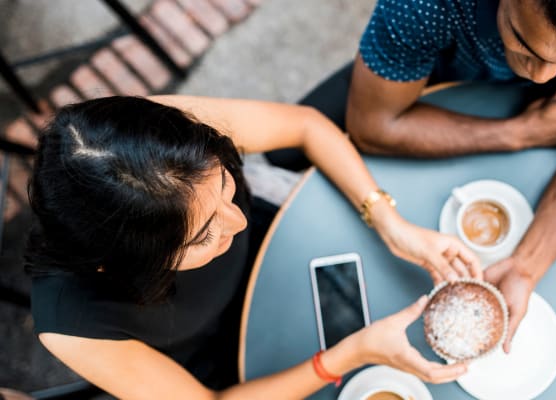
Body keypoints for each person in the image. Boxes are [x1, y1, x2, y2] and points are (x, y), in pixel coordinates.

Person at [26, 96, 480, 399]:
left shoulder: (156, 138)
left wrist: (388, 220)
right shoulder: (73, 324)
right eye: (203, 234)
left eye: (224, 181)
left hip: (289, 237)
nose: (238, 220)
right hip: (243, 363)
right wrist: (350, 355)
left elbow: (305, 127)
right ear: (130, 264)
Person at [332, 0, 556, 352]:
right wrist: (518, 133)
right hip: (432, 79)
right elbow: (372, 125)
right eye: (525, 43)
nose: (543, 78)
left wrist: (525, 267)